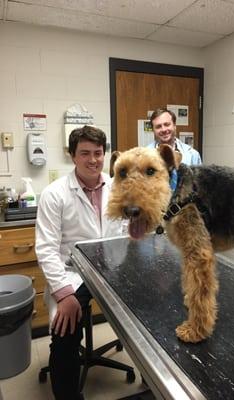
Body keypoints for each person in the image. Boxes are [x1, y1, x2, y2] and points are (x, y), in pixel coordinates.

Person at [35, 125, 123, 400]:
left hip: (113, 269)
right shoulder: (55, 193)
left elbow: (125, 232)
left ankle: (153, 378)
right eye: (85, 153)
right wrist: (64, 294)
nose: (93, 160)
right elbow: (46, 248)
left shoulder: (118, 187)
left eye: (98, 152)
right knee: (65, 332)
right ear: (72, 156)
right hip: (72, 273)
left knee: (146, 315)